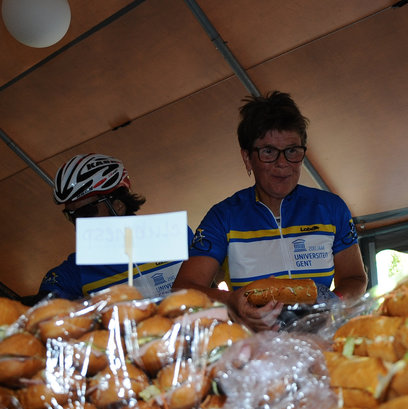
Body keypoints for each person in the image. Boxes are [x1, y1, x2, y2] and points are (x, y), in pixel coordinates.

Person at [172, 91, 367, 331]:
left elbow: (355, 279)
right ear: (247, 158)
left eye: (292, 150)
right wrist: (231, 302)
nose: (282, 162)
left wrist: (330, 306)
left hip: (321, 343)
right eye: (268, 152)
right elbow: (183, 288)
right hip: (256, 351)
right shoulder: (223, 216)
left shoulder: (331, 207)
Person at [36, 153, 192, 301]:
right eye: (71, 216)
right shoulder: (75, 270)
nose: (79, 223)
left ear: (118, 206)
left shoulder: (176, 236)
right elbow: (43, 306)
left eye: (86, 211)